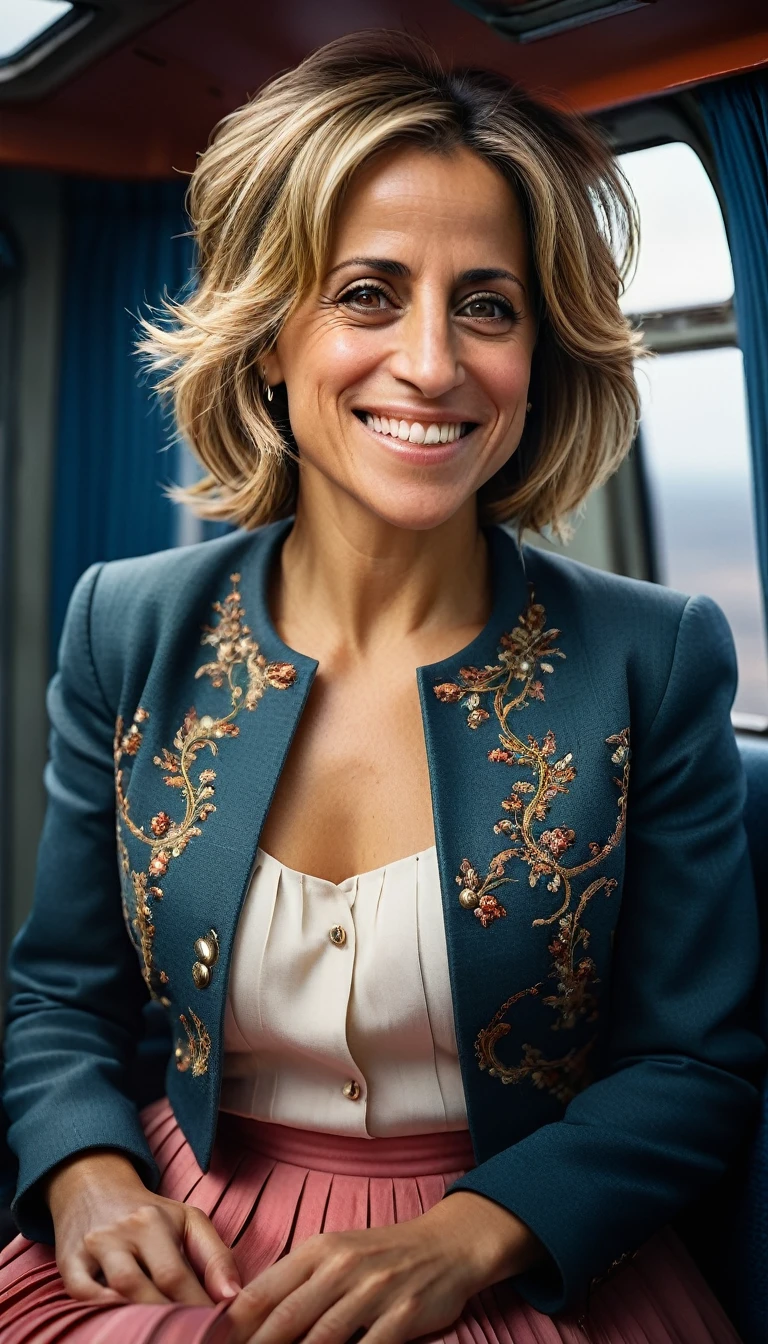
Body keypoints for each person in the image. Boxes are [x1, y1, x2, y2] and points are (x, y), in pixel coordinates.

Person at [0, 29, 762, 1344]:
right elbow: (61, 994)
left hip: (521, 1249)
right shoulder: (124, 626)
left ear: (540, 354)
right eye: (366, 293)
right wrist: (86, 1176)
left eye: (487, 304)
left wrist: (472, 1236)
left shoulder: (659, 654)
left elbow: (694, 1063)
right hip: (181, 1246)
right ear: (269, 332)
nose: (431, 362)